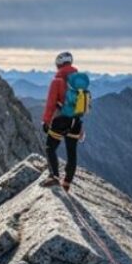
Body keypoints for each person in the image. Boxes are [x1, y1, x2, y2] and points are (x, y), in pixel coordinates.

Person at [41, 51, 86, 191]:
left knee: (50, 147)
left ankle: (54, 176)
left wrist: (46, 121)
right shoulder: (79, 83)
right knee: (71, 152)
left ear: (58, 64)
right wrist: (80, 125)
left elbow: (51, 104)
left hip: (61, 120)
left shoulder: (57, 81)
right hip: (76, 121)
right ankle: (67, 183)